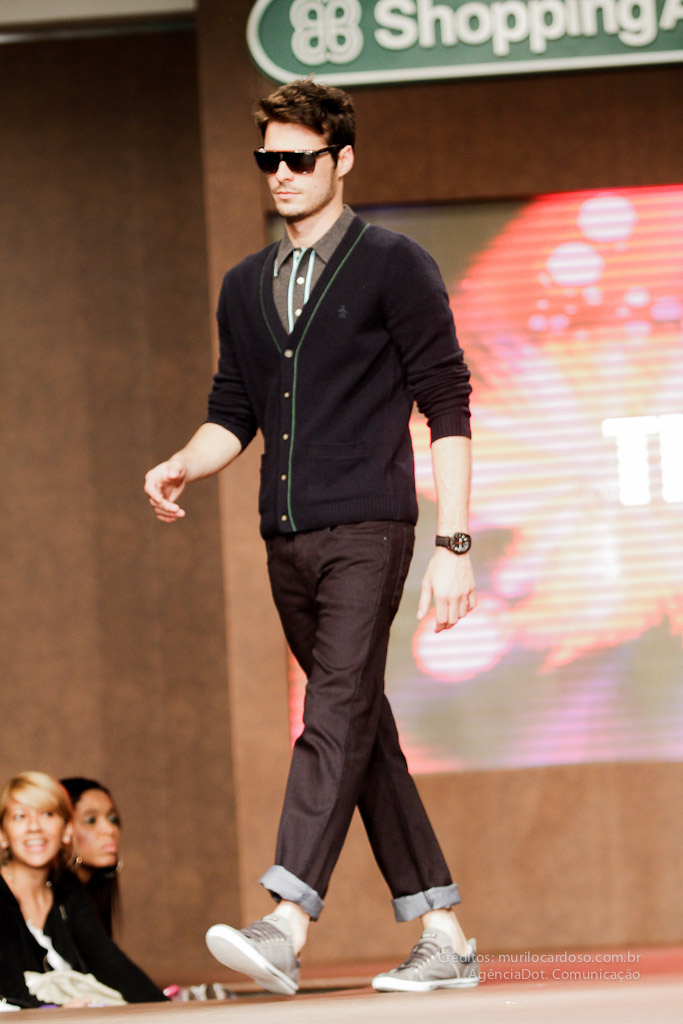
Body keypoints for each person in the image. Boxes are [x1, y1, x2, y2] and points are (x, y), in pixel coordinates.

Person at [144, 78, 479, 996]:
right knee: (359, 724)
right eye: (270, 158)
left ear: (342, 160)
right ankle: (443, 932)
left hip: (369, 530)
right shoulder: (244, 285)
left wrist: (453, 545)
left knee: (330, 712)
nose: (282, 173)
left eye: (299, 158)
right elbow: (233, 410)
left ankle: (286, 917)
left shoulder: (393, 263)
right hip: (286, 540)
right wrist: (183, 462)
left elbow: (447, 401)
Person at [0, 772, 166, 1009]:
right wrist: (54, 1013)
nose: (34, 827)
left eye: (47, 814)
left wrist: (169, 1010)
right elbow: (9, 989)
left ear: (67, 830)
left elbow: (111, 964)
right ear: (2, 834)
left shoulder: (67, 890)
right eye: (20, 816)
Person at [60, 777, 122, 938]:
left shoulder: (92, 898)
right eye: (91, 820)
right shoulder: (51, 903)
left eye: (113, 819)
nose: (109, 829)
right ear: (63, 830)